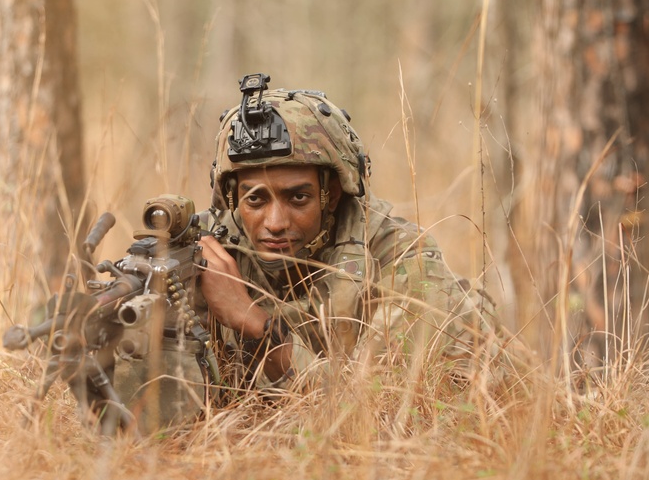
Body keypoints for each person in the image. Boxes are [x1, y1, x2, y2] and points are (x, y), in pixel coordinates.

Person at [196, 73, 502, 393]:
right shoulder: (210, 247)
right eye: (255, 199)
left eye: (298, 198)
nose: (275, 222)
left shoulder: (402, 262)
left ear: (333, 194)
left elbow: (369, 408)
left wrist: (250, 320)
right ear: (233, 198)